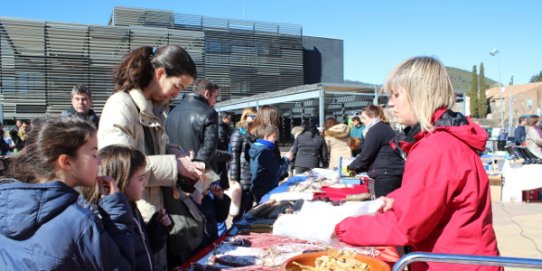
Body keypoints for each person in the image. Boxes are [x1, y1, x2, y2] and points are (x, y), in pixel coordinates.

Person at [335, 56, 501, 271]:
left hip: (454, 264)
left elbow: (407, 226)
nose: (390, 103)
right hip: (458, 259)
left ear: (419, 94)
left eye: (396, 94)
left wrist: (337, 227)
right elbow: (430, 196)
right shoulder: (438, 141)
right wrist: (392, 200)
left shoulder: (436, 147)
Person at [98, 45, 204, 270]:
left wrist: (176, 153)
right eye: (177, 86)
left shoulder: (156, 108)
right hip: (136, 217)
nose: (178, 94)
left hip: (155, 215)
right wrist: (174, 165)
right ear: (160, 74)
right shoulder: (120, 105)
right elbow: (117, 167)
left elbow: (150, 150)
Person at [0, 117, 136, 270]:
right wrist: (116, 215)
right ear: (66, 162)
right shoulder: (81, 223)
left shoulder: (6, 206)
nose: (100, 162)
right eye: (94, 154)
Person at [84, 145, 174, 271]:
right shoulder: (103, 221)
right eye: (140, 178)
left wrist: (157, 229)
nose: (145, 183)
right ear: (120, 182)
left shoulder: (131, 208)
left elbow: (140, 252)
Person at [166, 79, 227, 192]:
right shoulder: (209, 112)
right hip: (201, 174)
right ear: (207, 94)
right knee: (209, 205)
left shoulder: (172, 112)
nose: (215, 101)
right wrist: (197, 169)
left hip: (176, 172)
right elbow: (209, 148)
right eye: (215, 97)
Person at [347, 105, 404, 197]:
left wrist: (350, 168)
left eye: (364, 118)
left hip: (385, 175)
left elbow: (366, 155)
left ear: (372, 116)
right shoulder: (384, 127)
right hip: (393, 172)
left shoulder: (375, 130)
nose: (362, 121)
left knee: (383, 205)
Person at [249, 124, 291, 204]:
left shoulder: (255, 147)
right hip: (266, 188)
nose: (276, 140)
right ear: (267, 136)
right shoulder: (265, 152)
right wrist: (287, 159)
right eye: (274, 137)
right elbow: (279, 171)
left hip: (258, 187)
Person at [228, 107, 257, 221]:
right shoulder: (239, 132)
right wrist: (234, 178)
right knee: (241, 206)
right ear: (246, 116)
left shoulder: (252, 131)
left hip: (250, 171)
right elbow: (233, 154)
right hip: (242, 172)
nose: (255, 119)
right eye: (253, 116)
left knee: (248, 204)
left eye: (256, 117)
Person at [217, 112, 233, 189]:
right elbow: (221, 140)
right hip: (220, 153)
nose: (229, 121)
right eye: (228, 119)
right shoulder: (221, 127)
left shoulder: (223, 127)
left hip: (219, 154)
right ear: (224, 118)